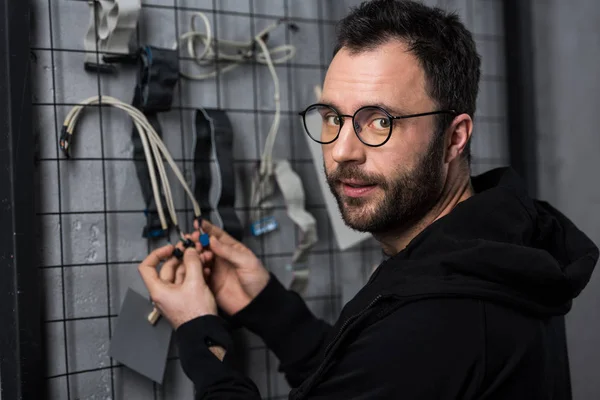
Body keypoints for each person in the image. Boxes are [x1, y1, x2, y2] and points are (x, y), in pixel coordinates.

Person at [138, 0, 599, 398]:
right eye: (331, 116)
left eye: (379, 122)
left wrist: (202, 335)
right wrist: (269, 307)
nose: (341, 151)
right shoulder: (498, 248)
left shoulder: (440, 319)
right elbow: (373, 378)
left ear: (454, 137)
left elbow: (399, 360)